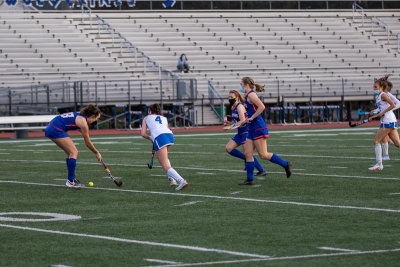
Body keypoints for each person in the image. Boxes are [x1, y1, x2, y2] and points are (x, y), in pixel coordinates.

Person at [239, 77, 292, 185]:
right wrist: (245, 120)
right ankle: (250, 179)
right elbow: (250, 111)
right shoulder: (247, 95)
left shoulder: (251, 95)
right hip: (252, 128)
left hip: (258, 127)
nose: (240, 85)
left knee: (263, 154)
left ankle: (286, 164)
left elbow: (262, 107)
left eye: (241, 83)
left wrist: (252, 117)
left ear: (246, 84)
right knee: (247, 153)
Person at [45, 104, 102, 188]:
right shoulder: (83, 123)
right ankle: (70, 181)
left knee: (70, 153)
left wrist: (84, 133)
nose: (95, 121)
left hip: (52, 127)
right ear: (92, 116)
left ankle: (71, 178)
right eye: (96, 119)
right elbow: (87, 143)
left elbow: (71, 124)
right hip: (55, 129)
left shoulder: (79, 115)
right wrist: (97, 153)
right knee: (74, 152)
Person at [141, 104, 188, 190]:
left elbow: (143, 134)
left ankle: (181, 180)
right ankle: (172, 179)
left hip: (160, 137)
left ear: (150, 111)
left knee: (165, 165)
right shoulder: (164, 118)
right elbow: (164, 129)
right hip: (170, 136)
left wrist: (151, 138)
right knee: (165, 159)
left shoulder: (146, 118)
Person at [224, 90, 266, 176]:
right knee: (228, 148)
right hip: (240, 132)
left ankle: (261, 170)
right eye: (229, 97)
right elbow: (237, 120)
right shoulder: (233, 107)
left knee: (248, 153)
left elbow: (243, 120)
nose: (230, 99)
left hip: (246, 132)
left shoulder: (240, 107)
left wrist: (231, 127)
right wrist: (231, 123)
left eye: (232, 97)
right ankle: (247, 160)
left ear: (237, 97)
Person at [368, 77, 400, 171]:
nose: (374, 89)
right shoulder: (379, 96)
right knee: (398, 144)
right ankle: (379, 163)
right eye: (373, 87)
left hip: (388, 121)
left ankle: (379, 164)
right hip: (389, 121)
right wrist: (374, 113)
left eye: (375, 87)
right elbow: (382, 109)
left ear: (381, 87)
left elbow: (393, 105)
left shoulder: (383, 95)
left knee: (376, 141)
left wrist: (382, 113)